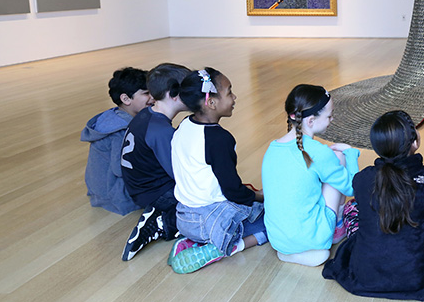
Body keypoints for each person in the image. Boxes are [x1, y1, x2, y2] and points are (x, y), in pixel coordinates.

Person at [322, 110, 424, 302]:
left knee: (353, 207)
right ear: (415, 142)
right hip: (421, 274)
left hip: (367, 273)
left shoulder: (363, 179)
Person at [168, 68, 268, 274]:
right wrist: (261, 196)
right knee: (272, 222)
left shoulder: (184, 125)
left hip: (185, 217)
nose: (234, 97)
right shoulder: (219, 139)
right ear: (211, 102)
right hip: (211, 221)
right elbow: (233, 192)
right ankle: (222, 248)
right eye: (229, 92)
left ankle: (190, 242)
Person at [261, 85, 359, 267]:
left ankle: (292, 251)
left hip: (277, 240)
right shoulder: (318, 152)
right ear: (311, 121)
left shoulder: (272, 148)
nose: (332, 119)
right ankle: (336, 229)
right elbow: (353, 187)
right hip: (313, 236)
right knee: (339, 157)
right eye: (329, 116)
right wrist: (351, 154)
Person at [120, 62, 191, 261]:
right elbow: (179, 175)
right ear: (174, 94)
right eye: (189, 90)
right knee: (207, 202)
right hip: (155, 194)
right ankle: (162, 222)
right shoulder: (161, 130)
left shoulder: (147, 115)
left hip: (139, 188)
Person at [80, 67, 151, 215]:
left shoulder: (114, 117)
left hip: (102, 190)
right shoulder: (120, 131)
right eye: (146, 93)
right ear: (125, 99)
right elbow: (121, 169)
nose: (153, 97)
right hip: (114, 195)